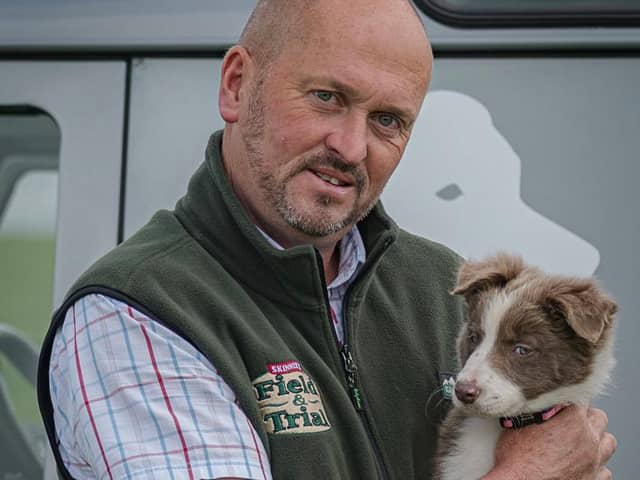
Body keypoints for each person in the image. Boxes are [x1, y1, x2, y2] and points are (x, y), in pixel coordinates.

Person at [37, 0, 616, 478]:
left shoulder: (440, 285)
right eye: (327, 97)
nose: (351, 146)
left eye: (388, 119)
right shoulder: (141, 312)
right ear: (238, 85)